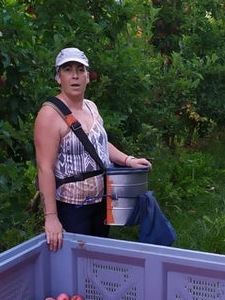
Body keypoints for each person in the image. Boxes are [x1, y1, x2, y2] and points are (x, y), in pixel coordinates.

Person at [34, 47, 151, 251]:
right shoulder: (50, 115)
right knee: (76, 264)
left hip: (100, 202)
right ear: (58, 77)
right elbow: (44, 168)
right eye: (68, 70)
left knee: (97, 259)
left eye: (80, 70)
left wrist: (127, 160)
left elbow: (99, 145)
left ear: (88, 77)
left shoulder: (90, 107)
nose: (75, 76)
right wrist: (51, 217)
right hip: (71, 208)